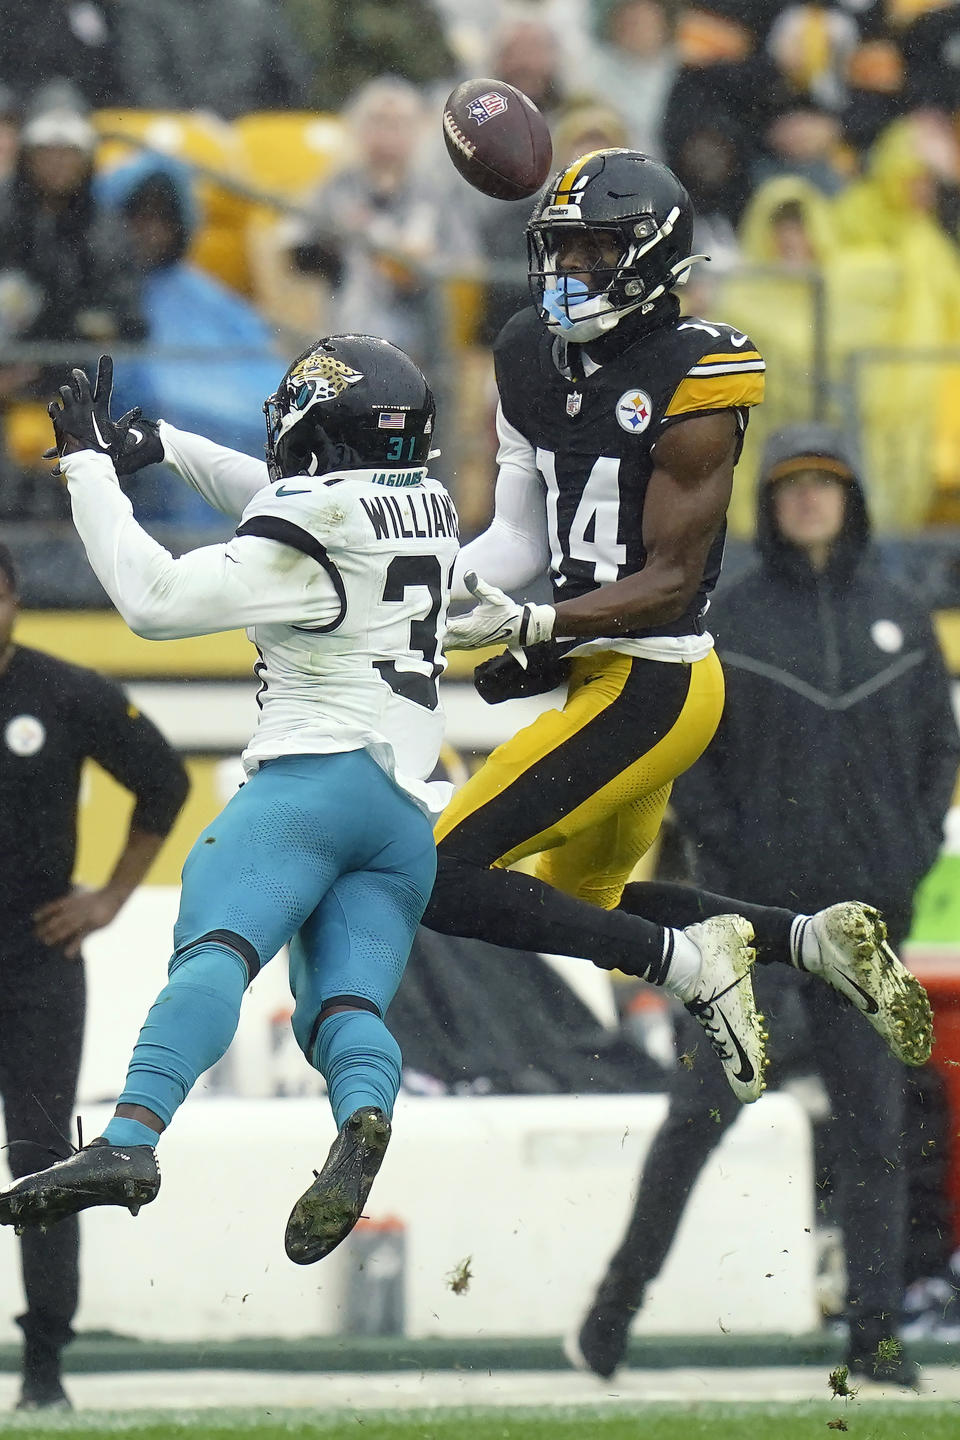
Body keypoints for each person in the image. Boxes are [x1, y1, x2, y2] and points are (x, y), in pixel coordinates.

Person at [422, 147, 933, 1110]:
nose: (569, 276)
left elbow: (669, 581)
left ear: (656, 259)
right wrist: (437, 603)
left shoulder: (700, 368)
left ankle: (693, 967)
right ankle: (809, 940)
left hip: (657, 682)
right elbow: (519, 535)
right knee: (581, 909)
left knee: (441, 874)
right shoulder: (530, 349)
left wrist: (536, 622)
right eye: (559, 252)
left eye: (594, 253)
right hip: (598, 672)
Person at [0, 337, 458, 1271]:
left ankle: (131, 1136)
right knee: (342, 1004)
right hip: (404, 815)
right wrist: (163, 443)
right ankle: (365, 1114)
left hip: (311, 784)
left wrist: (89, 465)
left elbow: (154, 599)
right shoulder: (430, 506)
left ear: (320, 432)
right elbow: (287, 498)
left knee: (216, 950)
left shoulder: (315, 512)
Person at [567, 423, 960, 1389]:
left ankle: (874, 1335)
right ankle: (612, 1314)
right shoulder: (728, 622)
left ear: (851, 499)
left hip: (863, 935)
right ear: (770, 506)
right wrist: (733, 873)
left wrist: (903, 868)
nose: (809, 500)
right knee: (698, 1117)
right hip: (748, 935)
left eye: (826, 485)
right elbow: (688, 761)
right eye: (791, 487)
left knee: (875, 1133)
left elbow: (935, 761)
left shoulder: (903, 619)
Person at [0, 542, 188, 1410]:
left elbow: (165, 783)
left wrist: (110, 897)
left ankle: (45, 1369)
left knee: (42, 1161)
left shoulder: (63, 692)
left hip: (39, 959)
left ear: (14, 599)